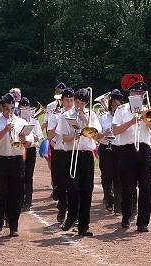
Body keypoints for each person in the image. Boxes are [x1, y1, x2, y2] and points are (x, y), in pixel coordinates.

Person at [112, 81, 151, 232]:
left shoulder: (148, 111)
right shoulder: (121, 110)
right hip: (127, 150)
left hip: (144, 149)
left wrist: (147, 119)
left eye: (141, 94)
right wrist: (132, 121)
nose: (138, 96)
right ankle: (126, 216)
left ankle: (143, 222)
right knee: (127, 186)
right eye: (135, 93)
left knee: (145, 187)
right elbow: (116, 130)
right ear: (130, 94)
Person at [56, 88, 102, 236]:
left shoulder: (91, 115)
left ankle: (84, 226)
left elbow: (96, 136)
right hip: (71, 153)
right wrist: (76, 134)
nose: (79, 105)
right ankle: (71, 218)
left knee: (87, 191)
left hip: (87, 155)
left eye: (82, 103)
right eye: (77, 102)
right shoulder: (66, 115)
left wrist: (85, 120)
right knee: (73, 189)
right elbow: (64, 138)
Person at [0, 93, 28, 237]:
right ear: (1, 108)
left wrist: (24, 140)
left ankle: (13, 225)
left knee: (16, 194)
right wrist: (5, 130)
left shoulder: (21, 122)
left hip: (16, 160)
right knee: (0, 192)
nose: (9, 112)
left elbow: (28, 143)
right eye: (6, 109)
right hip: (0, 160)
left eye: (11, 108)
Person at [47, 88, 74, 223]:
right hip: (60, 152)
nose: (69, 103)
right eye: (66, 100)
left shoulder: (79, 114)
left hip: (74, 152)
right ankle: (62, 209)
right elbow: (49, 136)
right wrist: (59, 121)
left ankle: (73, 212)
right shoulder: (55, 116)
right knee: (61, 184)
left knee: (74, 184)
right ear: (62, 101)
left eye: (71, 100)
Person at [97, 89, 124, 215]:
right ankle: (108, 199)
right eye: (113, 105)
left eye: (118, 105)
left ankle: (118, 205)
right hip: (105, 148)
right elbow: (96, 135)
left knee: (118, 177)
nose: (115, 108)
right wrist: (104, 133)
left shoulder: (124, 118)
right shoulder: (102, 117)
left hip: (119, 148)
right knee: (106, 176)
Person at [18, 97, 44, 210]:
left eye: (27, 108)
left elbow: (39, 136)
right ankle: (19, 198)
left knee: (29, 175)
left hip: (31, 149)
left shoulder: (34, 120)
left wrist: (33, 137)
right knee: (19, 175)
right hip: (19, 149)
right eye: (23, 108)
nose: (25, 110)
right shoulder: (16, 120)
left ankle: (28, 200)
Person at [43, 83, 66, 199]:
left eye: (62, 92)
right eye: (59, 92)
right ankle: (55, 188)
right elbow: (47, 123)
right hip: (54, 139)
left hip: (65, 141)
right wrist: (50, 139)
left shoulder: (68, 106)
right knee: (55, 167)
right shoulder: (50, 106)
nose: (60, 94)